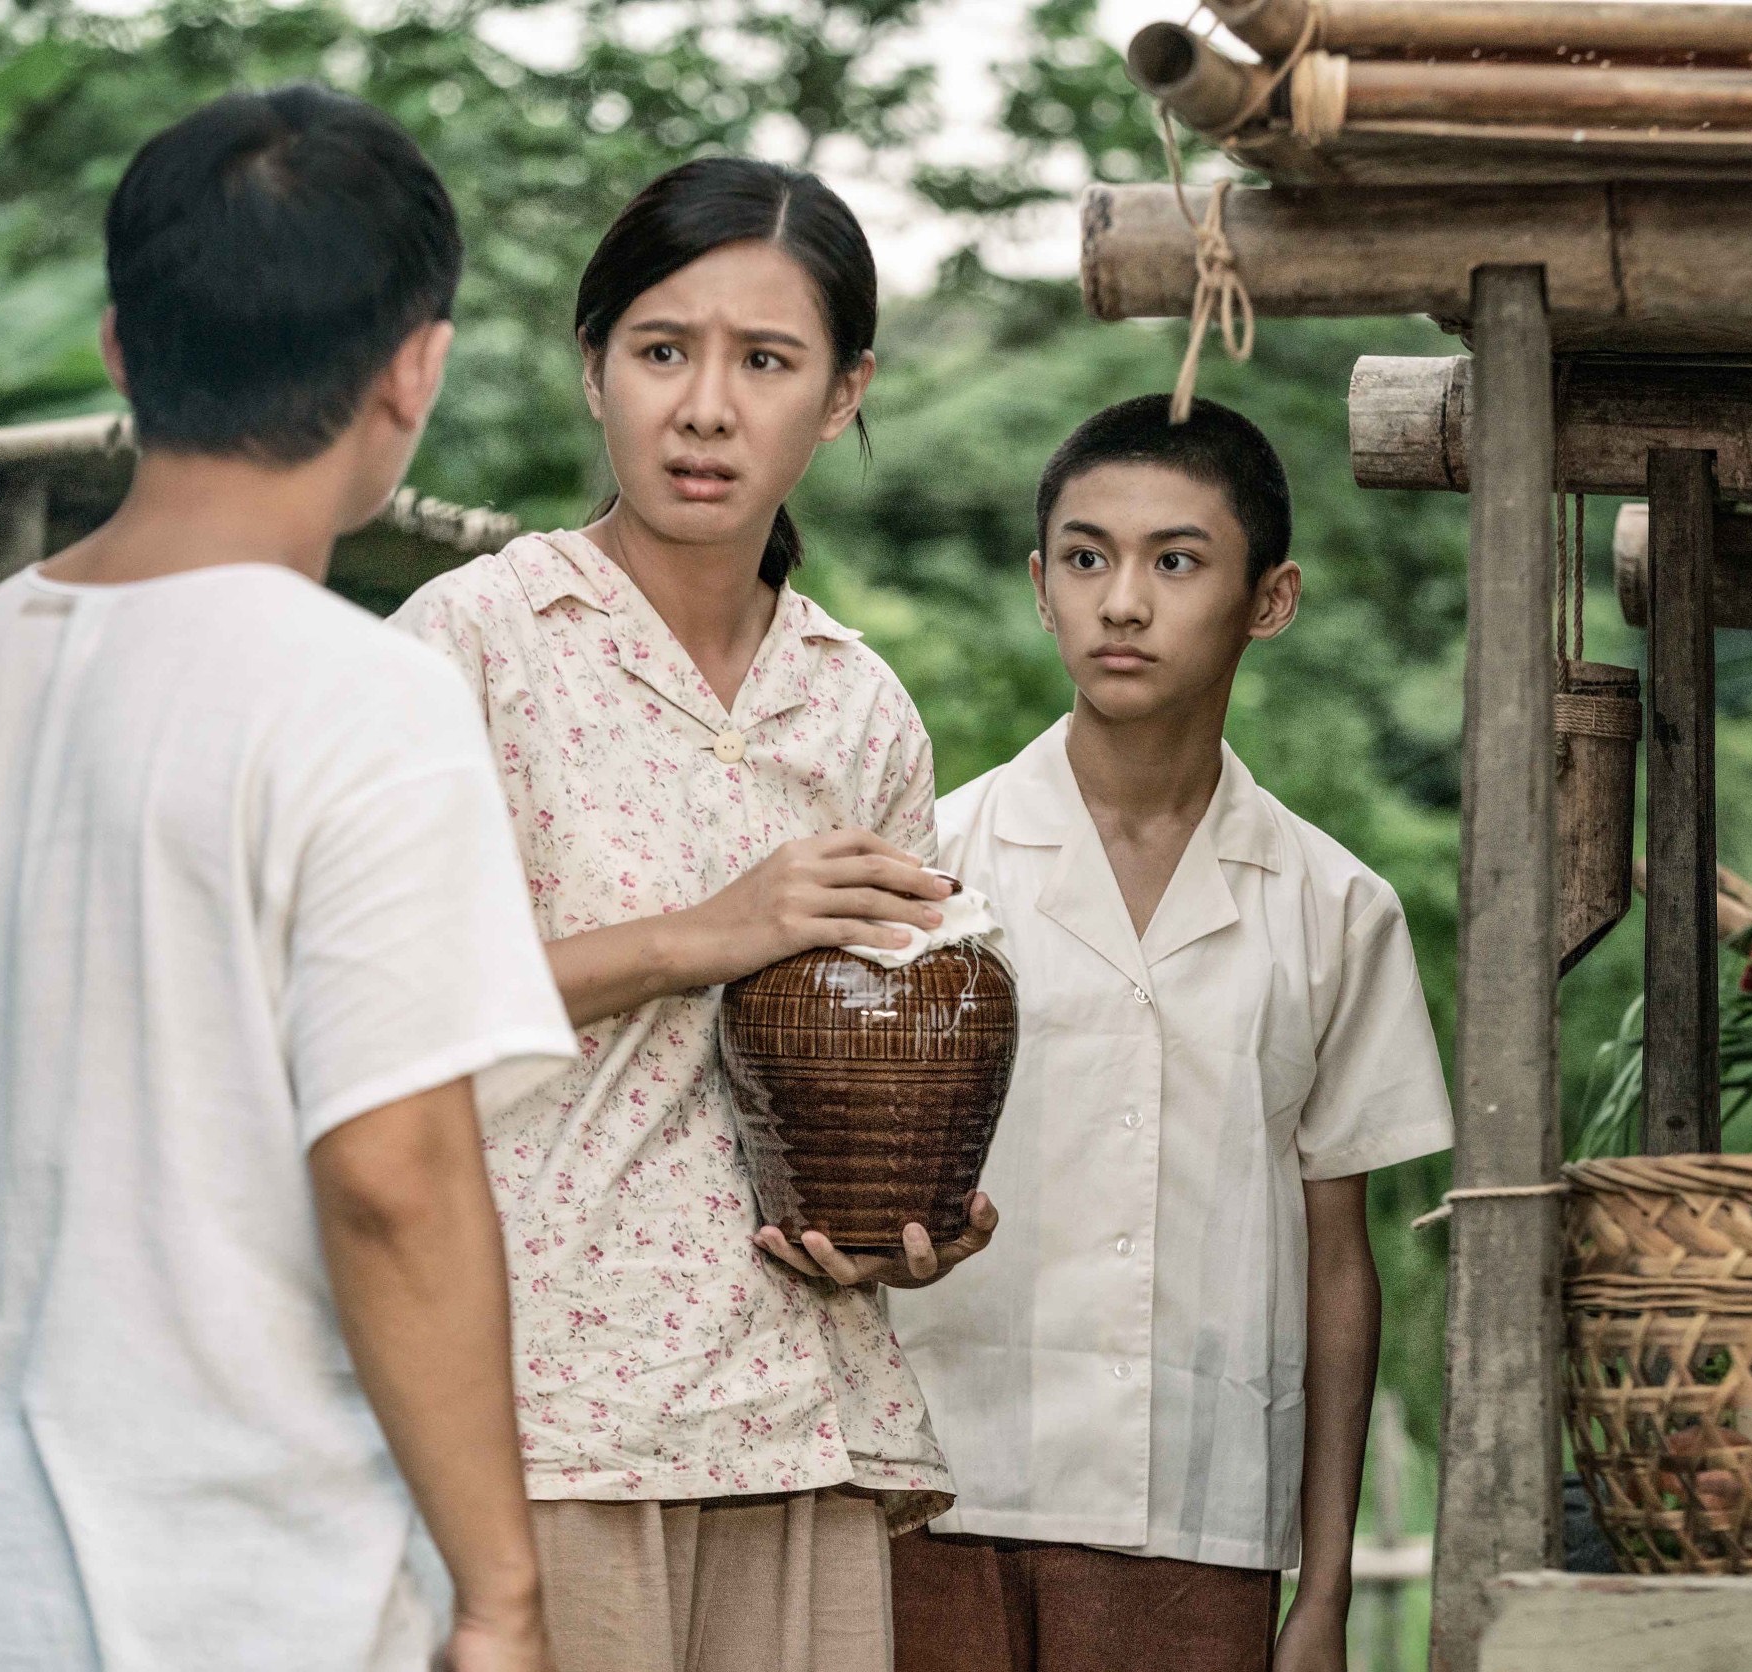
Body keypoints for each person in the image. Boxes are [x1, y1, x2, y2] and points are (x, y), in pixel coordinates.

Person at [0, 86, 573, 1672]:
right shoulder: (365, 704)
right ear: (411, 371)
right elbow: (392, 1179)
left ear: (116, 347)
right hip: (233, 1592)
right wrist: (501, 1594)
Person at [389, 156, 995, 1672]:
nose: (706, 407)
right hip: (533, 1413)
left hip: (799, 1418)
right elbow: (359, 1019)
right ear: (592, 368)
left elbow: (880, 1049)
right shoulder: (467, 643)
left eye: (765, 361)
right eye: (662, 351)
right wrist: (696, 936)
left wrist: (900, 1214)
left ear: (841, 395)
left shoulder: (858, 706)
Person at [886, 396, 1456, 1672]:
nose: (1122, 602)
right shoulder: (929, 868)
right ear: (1040, 587)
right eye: (1085, 558)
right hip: (936, 1490)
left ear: (1270, 598)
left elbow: (1336, 1260)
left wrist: (1322, 1588)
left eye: (1175, 561)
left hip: (1196, 1512)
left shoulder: (1334, 908)